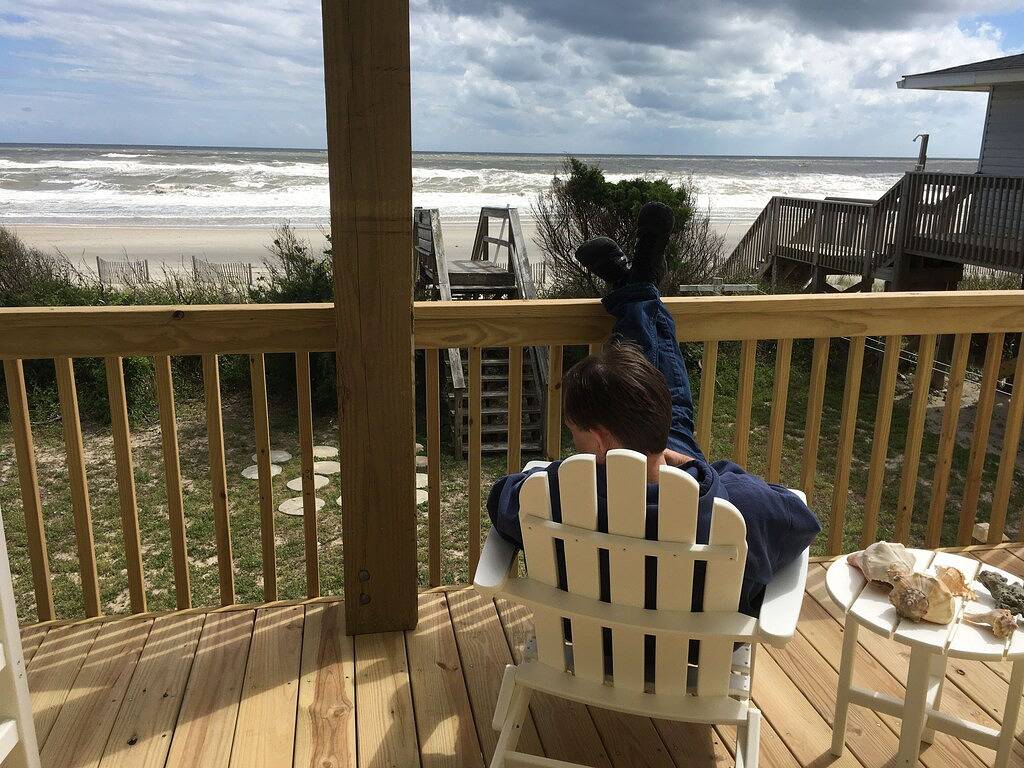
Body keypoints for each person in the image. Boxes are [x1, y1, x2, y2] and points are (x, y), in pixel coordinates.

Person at [487, 201, 821, 617]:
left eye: (574, 430)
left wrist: (560, 471)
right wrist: (706, 472)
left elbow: (500, 497)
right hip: (697, 652)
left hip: (592, 643)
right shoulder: (733, 507)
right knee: (672, 405)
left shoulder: (554, 496)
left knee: (667, 402)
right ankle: (639, 282)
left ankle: (636, 282)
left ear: (600, 439)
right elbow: (801, 520)